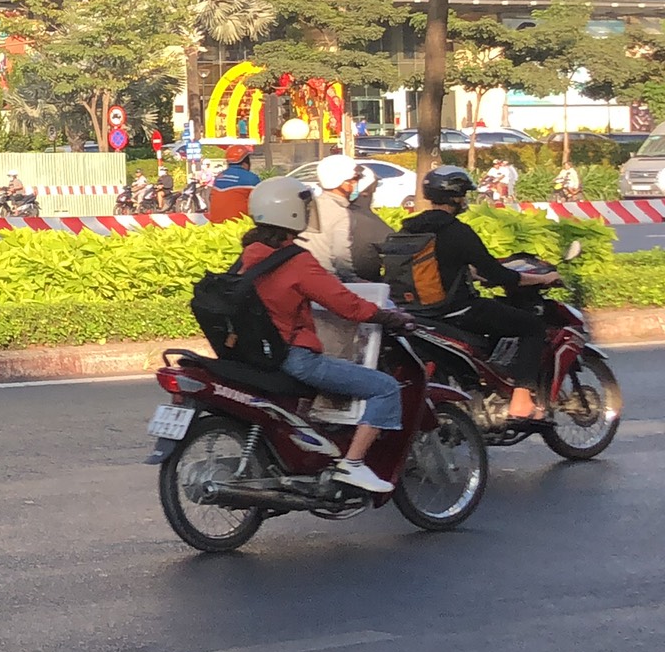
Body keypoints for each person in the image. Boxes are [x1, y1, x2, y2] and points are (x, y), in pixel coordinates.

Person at [237, 178, 416, 494]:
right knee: (385, 388)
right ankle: (353, 465)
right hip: (297, 359)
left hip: (258, 355)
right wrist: (389, 316)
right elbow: (345, 304)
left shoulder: (249, 255)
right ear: (293, 213)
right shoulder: (295, 260)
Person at [398, 166, 562, 402]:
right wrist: (543, 279)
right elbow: (500, 276)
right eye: (463, 194)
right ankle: (522, 399)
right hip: (456, 310)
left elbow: (434, 268)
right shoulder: (457, 232)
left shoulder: (408, 229)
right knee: (532, 326)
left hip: (415, 312)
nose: (465, 200)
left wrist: (470, 274)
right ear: (455, 197)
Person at [304, 153, 390, 281]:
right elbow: (341, 258)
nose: (357, 183)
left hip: (308, 277)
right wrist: (356, 282)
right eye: (355, 178)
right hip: (329, 281)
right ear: (342, 183)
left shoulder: (312, 205)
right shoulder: (341, 213)